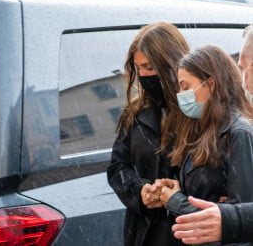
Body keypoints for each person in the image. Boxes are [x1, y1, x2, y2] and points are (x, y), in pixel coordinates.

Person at [152, 45, 253, 246]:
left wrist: (175, 200)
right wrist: (176, 190)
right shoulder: (201, 130)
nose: (181, 94)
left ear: (211, 84)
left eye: (185, 86)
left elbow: (238, 218)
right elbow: (209, 199)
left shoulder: (238, 133)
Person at [107, 22, 190, 246]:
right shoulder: (135, 112)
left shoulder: (196, 109)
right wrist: (141, 190)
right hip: (141, 232)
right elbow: (117, 167)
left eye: (150, 67)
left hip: (184, 231)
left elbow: (214, 178)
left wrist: (174, 194)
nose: (143, 75)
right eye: (138, 68)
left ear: (171, 64)